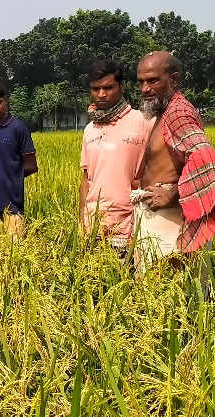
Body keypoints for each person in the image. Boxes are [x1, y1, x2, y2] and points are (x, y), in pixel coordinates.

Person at [132, 51, 215, 269]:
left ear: (174, 79)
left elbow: (205, 159)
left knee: (168, 294)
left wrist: (172, 193)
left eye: (153, 80)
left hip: (170, 220)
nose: (144, 89)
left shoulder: (178, 112)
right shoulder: (165, 112)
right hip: (158, 218)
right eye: (141, 82)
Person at [79, 60, 153, 259]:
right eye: (96, 89)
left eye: (108, 87)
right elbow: (86, 179)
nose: (101, 94)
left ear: (122, 86)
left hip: (130, 227)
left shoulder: (144, 122)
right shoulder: (89, 130)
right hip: (94, 227)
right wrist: (82, 221)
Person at [0, 81, 38, 235]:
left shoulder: (18, 127)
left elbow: (31, 166)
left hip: (12, 207)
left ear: (6, 100)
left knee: (13, 252)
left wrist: (11, 176)